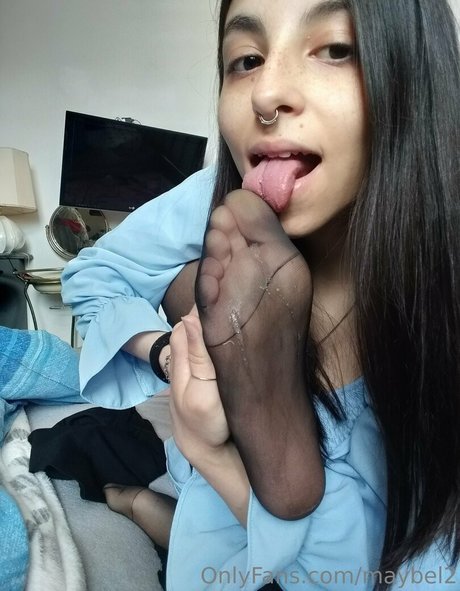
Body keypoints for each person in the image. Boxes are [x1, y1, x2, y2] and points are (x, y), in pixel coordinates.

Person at [61, 0, 460, 589]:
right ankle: (153, 502)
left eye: (336, 49)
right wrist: (167, 352)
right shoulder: (221, 197)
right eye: (246, 60)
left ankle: (149, 503)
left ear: (417, 76)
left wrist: (215, 453)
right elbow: (92, 272)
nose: (266, 94)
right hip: (218, 512)